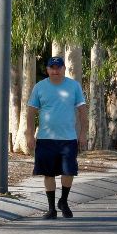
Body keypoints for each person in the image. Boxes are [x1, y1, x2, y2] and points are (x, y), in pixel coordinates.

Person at [26, 56, 88, 219]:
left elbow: (82, 111)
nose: (55, 71)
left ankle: (64, 201)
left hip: (68, 138)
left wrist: (83, 133)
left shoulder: (74, 86)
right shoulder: (39, 87)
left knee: (69, 171)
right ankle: (51, 208)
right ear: (47, 70)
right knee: (48, 173)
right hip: (46, 138)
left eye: (58, 67)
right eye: (52, 68)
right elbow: (31, 112)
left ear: (64, 69)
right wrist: (29, 135)